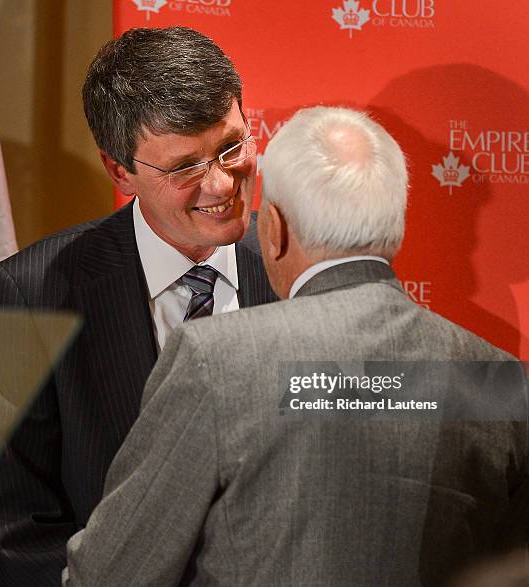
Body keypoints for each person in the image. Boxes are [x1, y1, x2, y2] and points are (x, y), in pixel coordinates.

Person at [64, 106, 528, 586]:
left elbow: (110, 574)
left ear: (275, 229)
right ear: (397, 226)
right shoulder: (499, 380)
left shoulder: (217, 361)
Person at [0, 27, 276, 586]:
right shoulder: (27, 296)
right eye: (184, 167)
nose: (222, 183)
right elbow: (9, 520)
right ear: (119, 171)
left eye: (231, 146)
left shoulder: (300, 268)